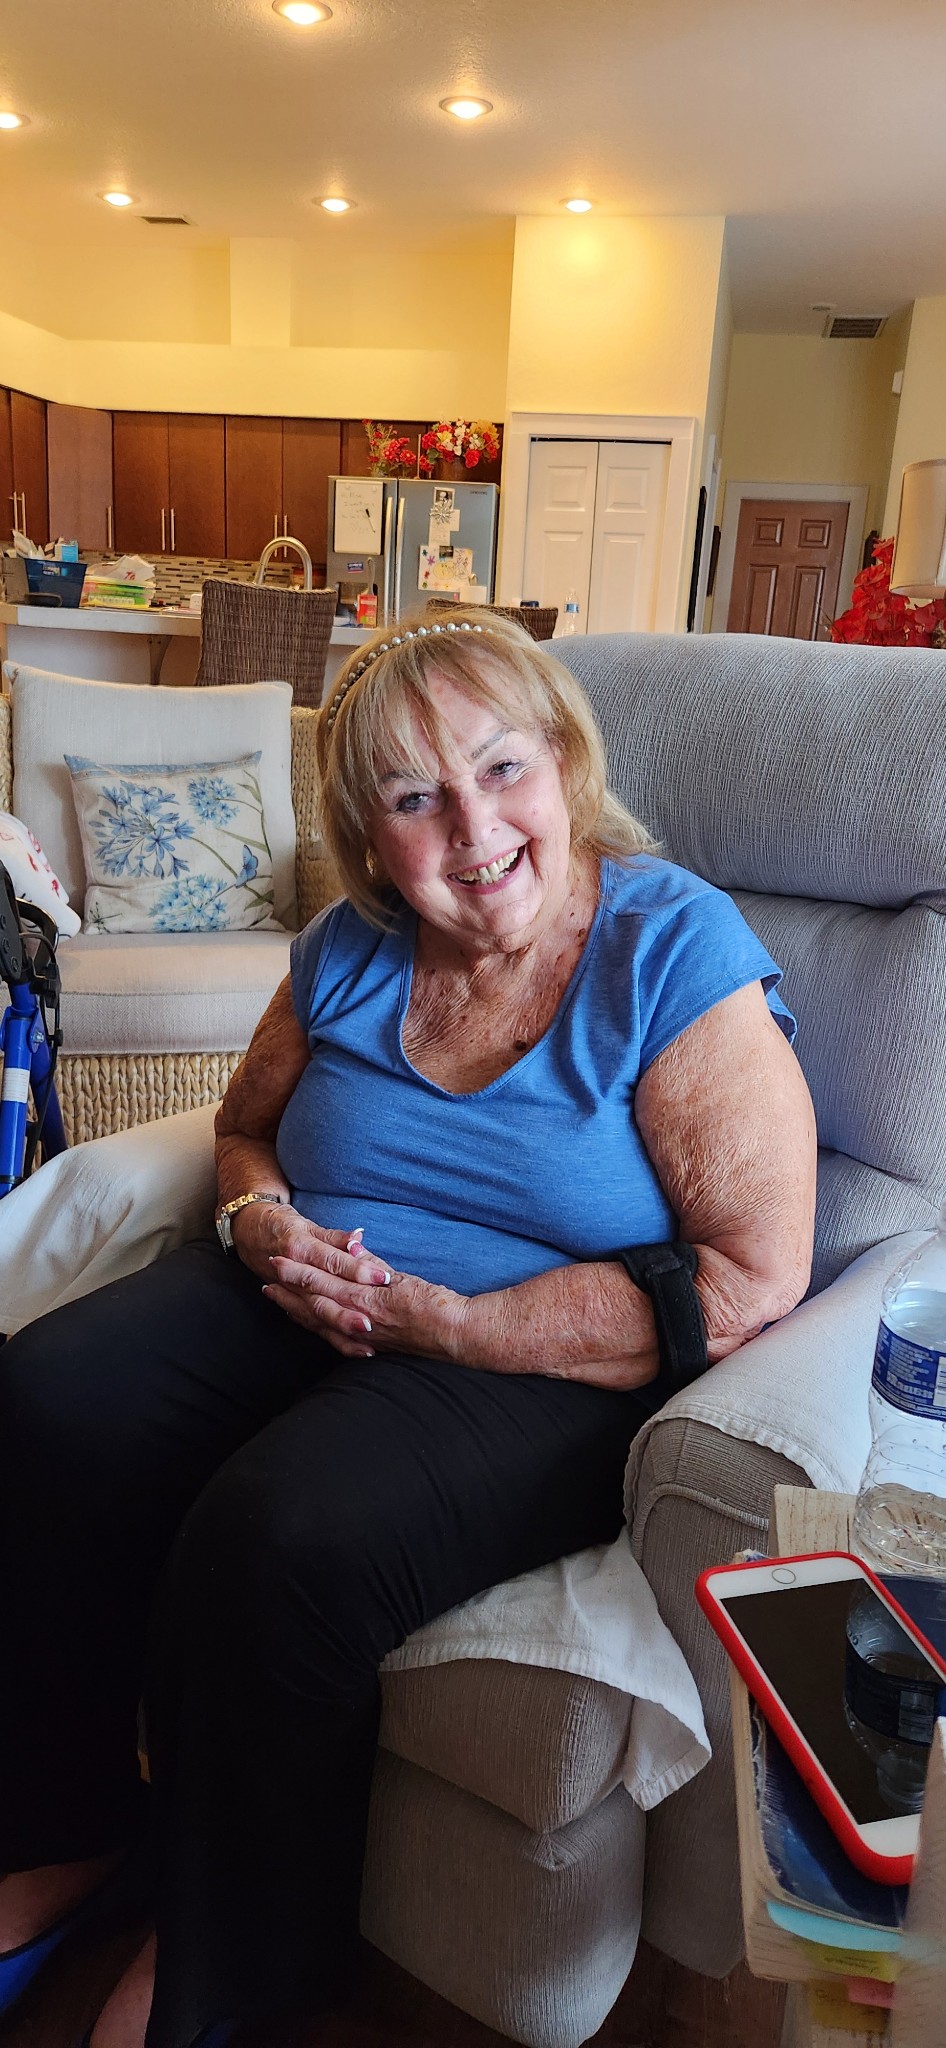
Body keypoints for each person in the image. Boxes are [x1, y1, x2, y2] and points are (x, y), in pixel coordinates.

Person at [0, 610, 817, 2048]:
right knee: (44, 1398)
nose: (473, 829)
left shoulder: (668, 946)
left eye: (501, 769)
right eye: (413, 797)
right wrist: (259, 1223)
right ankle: (73, 1830)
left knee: (280, 1538)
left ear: (563, 764)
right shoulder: (349, 946)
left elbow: (750, 1276)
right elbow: (243, 1132)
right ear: (368, 837)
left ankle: (234, 1954)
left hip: (546, 1357)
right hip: (309, 1287)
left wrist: (462, 1325)